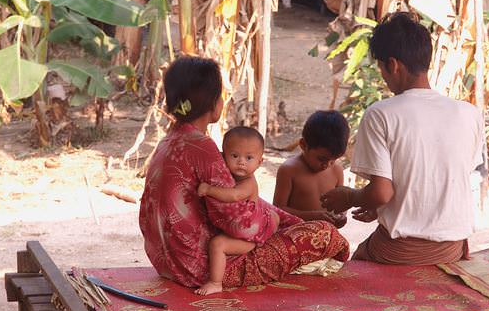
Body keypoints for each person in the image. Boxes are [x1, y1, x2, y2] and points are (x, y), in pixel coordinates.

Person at [139, 56, 349, 289]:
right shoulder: (203, 148)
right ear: (213, 104)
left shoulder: (167, 142)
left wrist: (281, 216)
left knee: (281, 216)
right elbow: (238, 224)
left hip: (167, 263)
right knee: (325, 233)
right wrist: (271, 219)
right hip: (202, 268)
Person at [320, 11, 484, 265]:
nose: (384, 77)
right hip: (452, 247)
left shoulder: (381, 114)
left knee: (354, 262)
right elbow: (439, 176)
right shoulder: (469, 113)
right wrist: (382, 205)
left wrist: (350, 197)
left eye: (382, 69)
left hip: (402, 250)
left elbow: (382, 193)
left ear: (393, 65)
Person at [196, 127, 279, 295]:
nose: (241, 162)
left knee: (217, 244)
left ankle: (215, 282)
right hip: (245, 228)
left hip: (250, 236)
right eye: (234, 156)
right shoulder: (226, 174)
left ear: (259, 162)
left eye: (249, 158)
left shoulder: (248, 182)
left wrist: (208, 190)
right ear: (222, 156)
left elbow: (234, 195)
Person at [273, 110, 349, 228]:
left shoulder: (337, 170)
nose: (327, 164)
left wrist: (341, 215)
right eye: (321, 159)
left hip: (325, 235)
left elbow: (340, 204)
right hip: (294, 235)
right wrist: (311, 216)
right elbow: (278, 210)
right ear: (303, 145)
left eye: (333, 159)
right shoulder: (289, 170)